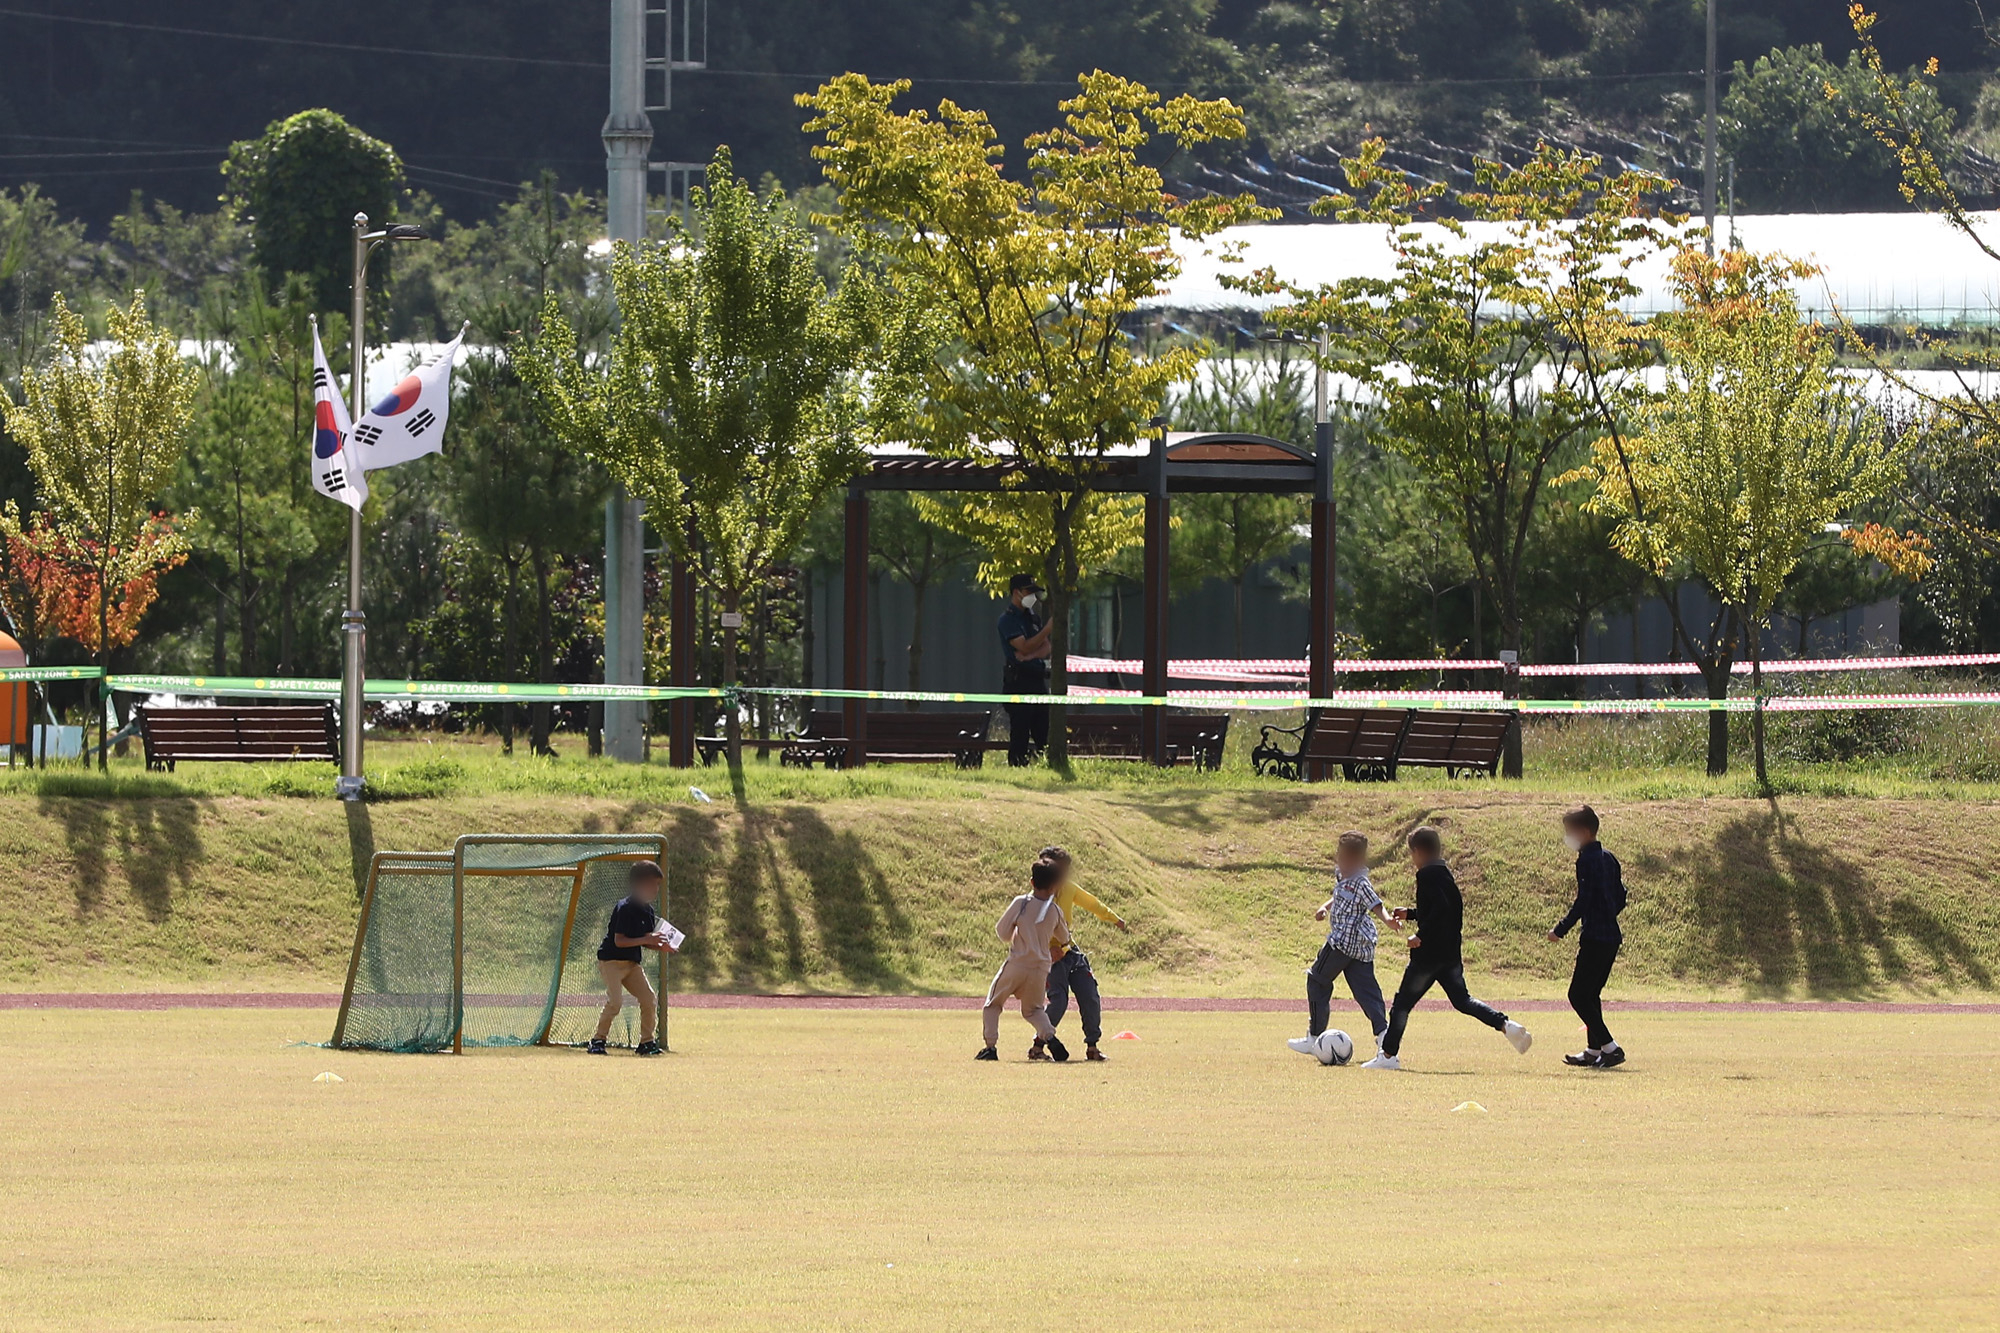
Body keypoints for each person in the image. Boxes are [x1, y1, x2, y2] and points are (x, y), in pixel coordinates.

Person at [1360, 826, 1532, 1071]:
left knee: (1402, 1005)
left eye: (1412, 854)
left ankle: (1387, 1056)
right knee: (1463, 1000)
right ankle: (1506, 1025)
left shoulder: (1426, 875)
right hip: (1450, 955)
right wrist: (1411, 914)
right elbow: (1444, 910)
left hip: (1428, 957)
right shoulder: (1444, 873)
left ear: (1418, 852)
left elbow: (1439, 910)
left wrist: (1419, 934)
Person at [1287, 831, 1393, 1062]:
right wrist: (1325, 907)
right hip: (1358, 949)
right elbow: (1339, 895)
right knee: (1366, 992)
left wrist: (1388, 920)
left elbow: (1376, 905)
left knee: (1316, 980)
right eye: (1341, 857)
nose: (1343, 863)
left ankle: (1314, 1037)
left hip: (1343, 943)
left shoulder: (1361, 882)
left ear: (1360, 860)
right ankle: (1386, 1039)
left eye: (1348, 859)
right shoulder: (1342, 875)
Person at [1031, 846, 1130, 1063]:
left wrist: (1115, 919)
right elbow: (1029, 929)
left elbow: (1092, 903)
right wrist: (1048, 949)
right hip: (1051, 959)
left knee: (1090, 996)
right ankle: (1037, 1046)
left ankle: (1092, 1047)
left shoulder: (1069, 888)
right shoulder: (1035, 899)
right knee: (1058, 1002)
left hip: (1071, 953)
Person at [1549, 805, 1628, 1069]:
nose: (1568, 837)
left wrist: (1561, 929)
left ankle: (1610, 1047)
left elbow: (1583, 901)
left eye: (1570, 832)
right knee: (1591, 994)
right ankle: (1594, 1050)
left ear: (1583, 832)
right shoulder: (1609, 858)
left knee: (1578, 995)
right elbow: (1621, 896)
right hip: (1611, 936)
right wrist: (1608, 913)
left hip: (1595, 936)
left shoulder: (1587, 859)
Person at [977, 859, 1072, 1062]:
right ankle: (1050, 1036)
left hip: (1018, 963)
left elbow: (1002, 931)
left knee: (993, 1004)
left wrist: (1016, 933)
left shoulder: (1021, 903)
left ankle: (990, 1047)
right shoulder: (1055, 911)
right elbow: (1065, 938)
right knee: (1034, 1010)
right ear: (1055, 886)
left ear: (1032, 881)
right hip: (1040, 968)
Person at [590, 861, 677, 1057]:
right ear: (639, 884)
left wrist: (661, 945)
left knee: (648, 998)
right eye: (652, 884)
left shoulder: (648, 910)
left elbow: (643, 941)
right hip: (611, 962)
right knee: (616, 1002)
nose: (655, 889)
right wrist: (647, 938)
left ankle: (646, 1042)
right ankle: (597, 1040)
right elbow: (620, 941)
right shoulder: (624, 908)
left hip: (631, 964)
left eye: (657, 885)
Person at [997, 573, 1053, 766]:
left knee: (1042, 729)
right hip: (1019, 681)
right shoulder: (1007, 620)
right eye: (1029, 592)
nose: (1033, 597)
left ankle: (1045, 765)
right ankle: (1017, 765)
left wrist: (1031, 656)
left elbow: (1046, 647)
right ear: (1016, 592)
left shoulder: (1033, 617)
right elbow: (1024, 646)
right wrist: (1046, 630)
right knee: (1020, 730)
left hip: (1037, 679)